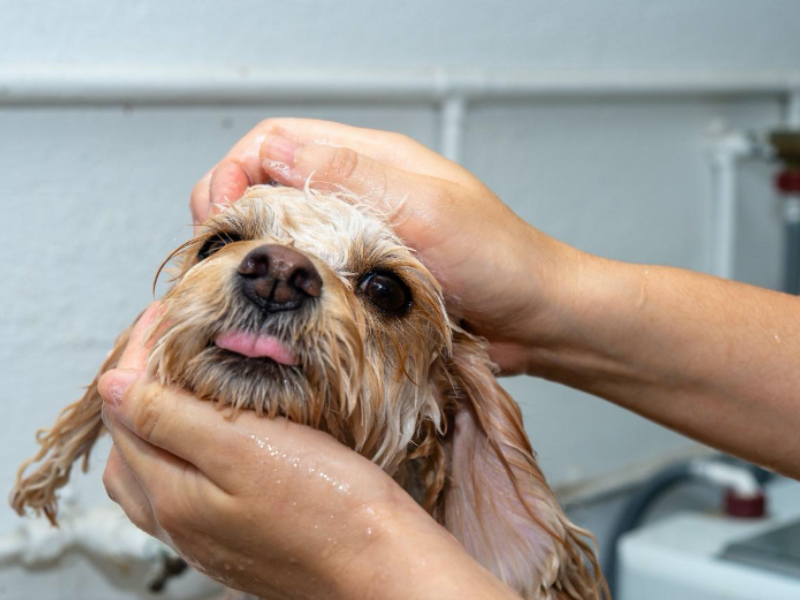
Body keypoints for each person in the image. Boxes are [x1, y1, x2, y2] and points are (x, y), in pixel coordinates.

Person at [98, 119, 800, 599]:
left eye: (381, 291)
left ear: (450, 415)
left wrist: (370, 563)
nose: (276, 275)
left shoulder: (467, 433)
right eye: (229, 245)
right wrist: (553, 295)